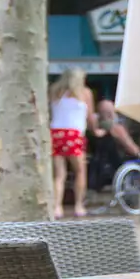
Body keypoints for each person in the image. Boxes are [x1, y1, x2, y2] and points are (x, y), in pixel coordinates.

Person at [48, 67, 94, 218]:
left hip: (56, 134)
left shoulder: (54, 91)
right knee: (80, 171)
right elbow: (90, 116)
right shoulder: (85, 93)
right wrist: (96, 130)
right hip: (74, 134)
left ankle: (57, 207)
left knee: (59, 174)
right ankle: (78, 206)